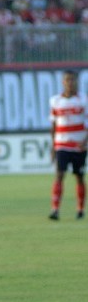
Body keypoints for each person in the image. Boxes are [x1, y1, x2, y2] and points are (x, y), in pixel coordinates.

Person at [48, 69, 87, 221]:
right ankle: (55, 209)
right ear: (63, 82)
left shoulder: (84, 99)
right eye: (67, 80)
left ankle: (80, 209)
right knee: (59, 175)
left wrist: (85, 140)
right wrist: (53, 146)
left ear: (77, 81)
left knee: (79, 177)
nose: (70, 83)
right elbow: (53, 125)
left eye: (73, 80)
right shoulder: (55, 101)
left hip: (79, 146)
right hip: (61, 144)